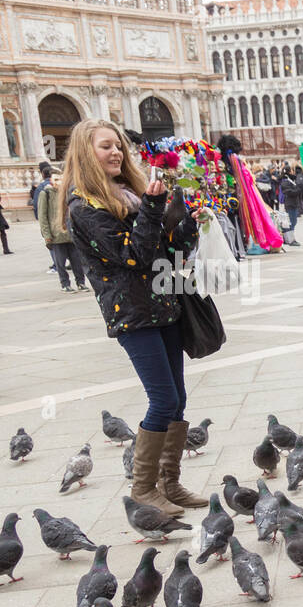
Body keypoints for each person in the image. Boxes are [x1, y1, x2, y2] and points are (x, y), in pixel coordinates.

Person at [61, 117, 204, 516]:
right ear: (86, 154)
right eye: (105, 146)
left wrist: (186, 217)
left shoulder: (133, 193)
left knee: (178, 400)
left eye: (119, 146)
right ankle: (144, 490)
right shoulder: (83, 207)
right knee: (162, 399)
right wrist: (155, 207)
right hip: (132, 314)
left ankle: (170, 484)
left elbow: (168, 249)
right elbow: (132, 254)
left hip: (164, 302)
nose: (116, 152)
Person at [39, 171, 87, 291]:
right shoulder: (46, 194)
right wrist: (47, 235)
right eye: (56, 180)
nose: (59, 182)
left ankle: (81, 282)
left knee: (77, 262)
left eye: (61, 179)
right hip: (56, 235)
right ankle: (65, 284)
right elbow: (42, 216)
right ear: (51, 181)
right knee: (60, 263)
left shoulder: (69, 193)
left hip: (71, 233)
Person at [279, 165, 303, 245]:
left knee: (293, 221)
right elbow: (288, 191)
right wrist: (297, 190)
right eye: (292, 170)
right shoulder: (285, 181)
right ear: (289, 171)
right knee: (291, 222)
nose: (294, 172)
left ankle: (287, 238)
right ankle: (291, 240)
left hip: (293, 203)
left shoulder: (290, 180)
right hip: (290, 203)